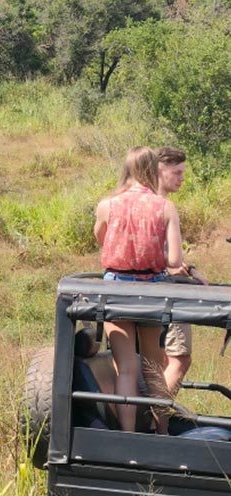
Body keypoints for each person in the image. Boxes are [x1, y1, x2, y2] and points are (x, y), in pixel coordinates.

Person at [94, 146, 184, 432]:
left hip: (116, 288)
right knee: (154, 367)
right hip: (152, 290)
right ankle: (162, 432)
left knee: (126, 368)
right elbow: (175, 261)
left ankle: (127, 435)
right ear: (152, 169)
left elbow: (101, 238)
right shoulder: (165, 206)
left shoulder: (107, 204)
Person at [156, 146, 210, 397]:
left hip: (144, 288)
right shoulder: (164, 206)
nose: (181, 178)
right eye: (176, 172)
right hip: (167, 290)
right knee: (179, 359)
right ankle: (157, 423)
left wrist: (190, 269)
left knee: (160, 360)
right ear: (160, 170)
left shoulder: (141, 202)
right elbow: (170, 259)